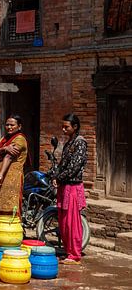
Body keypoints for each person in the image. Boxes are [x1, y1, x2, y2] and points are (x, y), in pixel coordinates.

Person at [54, 113, 87, 265]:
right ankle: (69, 252)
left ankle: (74, 254)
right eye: (63, 126)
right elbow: (62, 164)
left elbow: (74, 167)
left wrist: (59, 177)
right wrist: (56, 177)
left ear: (75, 127)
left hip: (72, 186)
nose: (63, 129)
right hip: (64, 186)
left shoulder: (80, 143)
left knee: (72, 222)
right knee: (64, 222)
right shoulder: (69, 143)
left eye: (66, 126)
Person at [0, 114, 28, 216]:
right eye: (7, 125)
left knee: (11, 206)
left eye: (12, 125)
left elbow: (9, 157)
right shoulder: (4, 139)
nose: (9, 127)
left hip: (12, 178)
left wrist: (1, 175)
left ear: (19, 126)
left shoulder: (19, 139)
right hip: (1, 176)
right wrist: (4, 148)